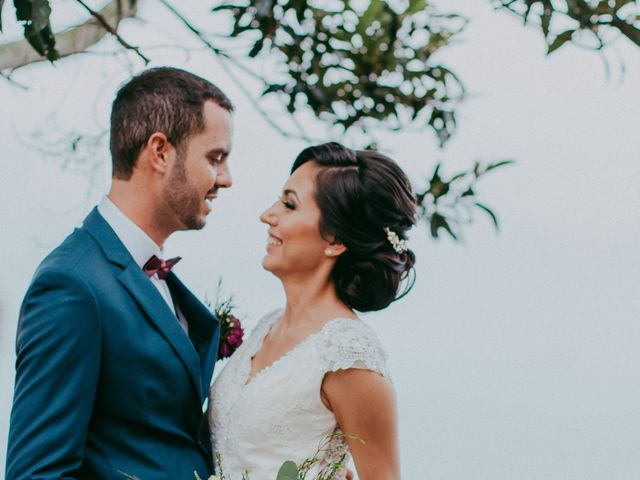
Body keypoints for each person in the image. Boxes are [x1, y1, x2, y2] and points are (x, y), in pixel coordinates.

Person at [6, 67, 234, 479]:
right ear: (160, 152)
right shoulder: (72, 285)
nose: (226, 179)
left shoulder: (158, 278)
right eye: (215, 158)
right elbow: (37, 472)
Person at [209, 142, 416, 479]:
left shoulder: (349, 353)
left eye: (289, 205)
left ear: (334, 240)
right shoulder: (267, 327)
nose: (268, 214)